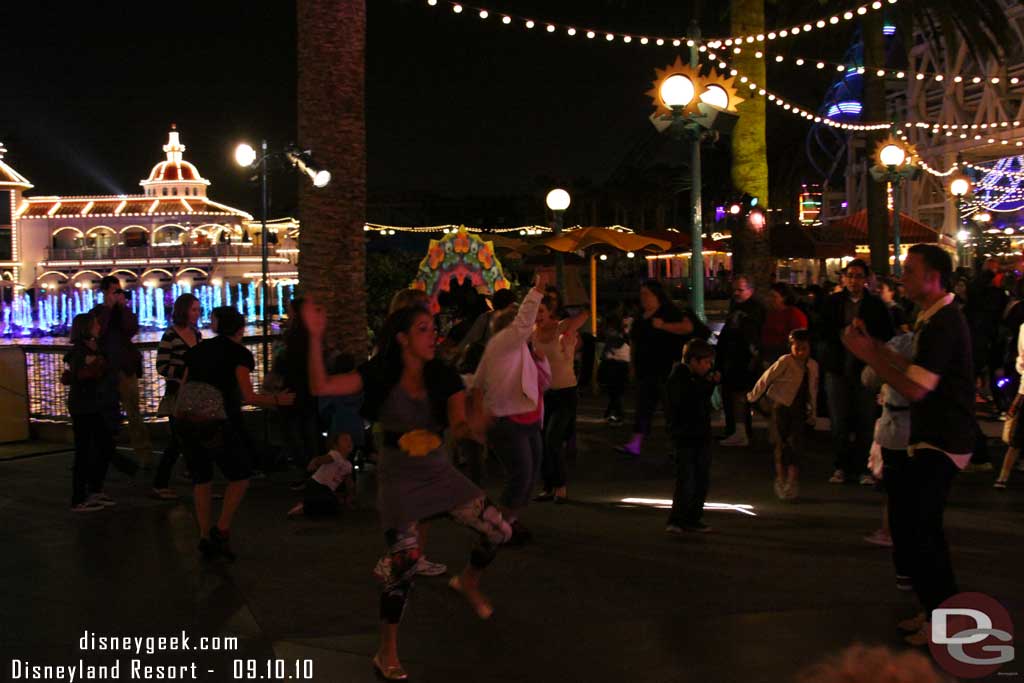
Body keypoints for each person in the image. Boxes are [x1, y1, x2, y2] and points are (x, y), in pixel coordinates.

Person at [303, 298, 510, 682]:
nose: (434, 335)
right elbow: (321, 385)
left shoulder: (443, 375)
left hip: (439, 474)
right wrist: (315, 337)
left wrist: (476, 425)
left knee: (499, 530)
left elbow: (458, 426)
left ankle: (468, 581)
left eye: (434, 328)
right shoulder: (379, 373)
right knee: (404, 564)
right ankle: (387, 651)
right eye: (423, 329)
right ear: (401, 339)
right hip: (399, 478)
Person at [843, 244, 973, 646]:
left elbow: (917, 387)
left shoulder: (944, 322)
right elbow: (913, 369)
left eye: (910, 270)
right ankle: (933, 611)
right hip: (930, 438)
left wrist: (869, 355)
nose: (903, 276)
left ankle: (943, 619)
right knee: (916, 529)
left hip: (944, 439)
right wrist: (878, 349)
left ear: (934, 276)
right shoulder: (930, 318)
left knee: (922, 531)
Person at [178, 306, 295, 561]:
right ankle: (222, 529)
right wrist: (278, 400)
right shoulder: (239, 354)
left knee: (202, 480)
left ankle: (204, 536)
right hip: (218, 422)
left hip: (187, 421)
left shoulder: (197, 351)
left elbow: (184, 386)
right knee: (240, 475)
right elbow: (248, 395)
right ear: (241, 329)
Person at [472, 274, 551, 543]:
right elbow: (524, 321)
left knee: (529, 472)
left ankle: (509, 520)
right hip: (509, 419)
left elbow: (479, 382)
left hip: (524, 419)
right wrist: (537, 289)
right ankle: (499, 525)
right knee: (521, 474)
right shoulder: (505, 343)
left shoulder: (515, 350)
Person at [821, 260, 893, 484]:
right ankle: (841, 465)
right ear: (843, 278)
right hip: (838, 366)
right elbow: (821, 330)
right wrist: (843, 332)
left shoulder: (876, 305)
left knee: (865, 418)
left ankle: (863, 466)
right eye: (850, 275)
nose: (853, 280)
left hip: (864, 367)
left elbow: (886, 333)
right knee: (839, 419)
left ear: (865, 279)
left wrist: (865, 334)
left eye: (858, 276)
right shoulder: (832, 303)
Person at [861, 330, 915, 592]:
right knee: (905, 497)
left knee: (897, 495)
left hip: (901, 429)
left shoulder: (905, 342)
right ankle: (906, 567)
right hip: (910, 428)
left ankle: (906, 566)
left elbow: (869, 377)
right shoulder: (920, 340)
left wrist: (882, 357)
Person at [618, 280, 695, 457]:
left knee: (670, 407)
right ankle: (636, 442)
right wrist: (632, 366)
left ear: (657, 295)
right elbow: (635, 343)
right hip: (645, 368)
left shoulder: (669, 312)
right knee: (643, 406)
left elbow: (687, 327)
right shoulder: (641, 316)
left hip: (666, 367)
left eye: (647, 294)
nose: (643, 298)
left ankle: (676, 445)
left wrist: (663, 326)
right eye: (641, 294)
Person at [747, 329, 818, 501]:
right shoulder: (785, 361)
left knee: (795, 444)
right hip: (781, 407)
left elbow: (813, 390)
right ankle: (781, 478)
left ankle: (792, 481)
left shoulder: (813, 366)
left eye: (804, 348)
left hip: (799, 409)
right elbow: (766, 378)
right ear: (790, 347)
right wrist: (753, 396)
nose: (800, 352)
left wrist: (813, 412)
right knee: (780, 443)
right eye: (797, 348)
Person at [532, 295, 588, 504]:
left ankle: (560, 487)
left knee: (552, 440)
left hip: (565, 392)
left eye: (541, 312)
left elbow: (583, 316)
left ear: (549, 312)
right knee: (541, 441)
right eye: (534, 312)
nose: (537, 317)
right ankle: (548, 486)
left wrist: (569, 323)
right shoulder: (532, 334)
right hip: (543, 394)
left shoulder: (561, 328)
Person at [93, 276, 152, 469]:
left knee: (134, 412)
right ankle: (103, 455)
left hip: (125, 368)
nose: (118, 294)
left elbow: (131, 329)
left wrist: (122, 307)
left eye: (119, 290)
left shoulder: (125, 312)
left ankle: (144, 455)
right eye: (114, 291)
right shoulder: (97, 313)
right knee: (105, 414)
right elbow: (98, 332)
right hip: (105, 371)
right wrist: (109, 309)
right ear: (104, 293)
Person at [65, 313, 120, 512]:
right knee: (84, 451)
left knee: (104, 446)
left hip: (96, 405)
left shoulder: (96, 347)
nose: (99, 326)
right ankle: (78, 498)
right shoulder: (79, 351)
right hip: (83, 406)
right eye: (95, 324)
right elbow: (78, 374)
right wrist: (95, 367)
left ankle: (94, 489)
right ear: (86, 328)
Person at [664, 339, 718, 533]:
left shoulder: (692, 378)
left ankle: (692, 517)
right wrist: (707, 385)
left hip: (698, 434)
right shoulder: (679, 378)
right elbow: (689, 402)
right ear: (693, 361)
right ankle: (679, 519)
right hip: (685, 435)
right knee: (687, 479)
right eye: (705, 362)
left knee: (700, 478)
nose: (708, 366)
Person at [153, 293, 201, 500]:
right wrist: (182, 372)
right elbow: (161, 366)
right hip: (177, 394)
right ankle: (160, 482)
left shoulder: (196, 334)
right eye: (194, 309)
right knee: (177, 440)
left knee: (192, 438)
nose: (198, 313)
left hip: (194, 392)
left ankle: (197, 478)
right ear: (184, 311)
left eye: (198, 309)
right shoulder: (170, 335)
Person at [717, 275, 766, 448]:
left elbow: (752, 334)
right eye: (735, 289)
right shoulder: (736, 305)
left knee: (741, 395)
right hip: (733, 356)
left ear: (750, 290)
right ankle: (737, 430)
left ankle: (741, 431)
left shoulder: (755, 309)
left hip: (744, 358)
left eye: (740, 290)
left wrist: (754, 355)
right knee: (732, 394)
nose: (736, 293)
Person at [287, 432, 355, 517]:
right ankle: (305, 507)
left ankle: (309, 504)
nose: (349, 442)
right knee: (329, 504)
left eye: (350, 440)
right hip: (316, 484)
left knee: (333, 507)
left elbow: (349, 482)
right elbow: (321, 459)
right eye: (345, 440)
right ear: (336, 446)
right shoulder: (335, 455)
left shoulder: (348, 465)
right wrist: (314, 463)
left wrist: (349, 497)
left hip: (327, 489)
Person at [760, 282, 808, 364]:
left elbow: (799, 341)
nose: (769, 299)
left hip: (784, 358)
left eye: (773, 296)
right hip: (768, 356)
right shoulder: (771, 313)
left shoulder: (795, 314)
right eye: (769, 296)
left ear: (784, 297)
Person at [597, 314, 630, 424]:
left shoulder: (614, 339)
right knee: (615, 393)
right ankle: (611, 413)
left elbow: (605, 355)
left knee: (615, 393)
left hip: (615, 367)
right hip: (621, 366)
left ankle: (617, 415)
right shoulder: (622, 337)